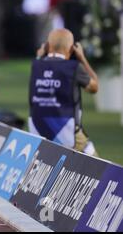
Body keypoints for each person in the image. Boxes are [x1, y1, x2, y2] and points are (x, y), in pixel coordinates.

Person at [29, 28, 99, 156]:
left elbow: (40, 61)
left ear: (47, 46)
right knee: (100, 170)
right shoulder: (74, 67)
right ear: (72, 49)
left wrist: (39, 54)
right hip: (68, 133)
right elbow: (94, 87)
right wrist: (82, 58)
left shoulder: (36, 65)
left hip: (38, 130)